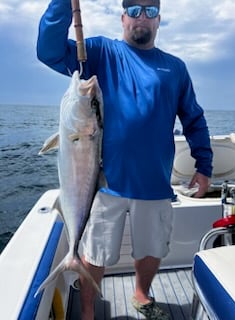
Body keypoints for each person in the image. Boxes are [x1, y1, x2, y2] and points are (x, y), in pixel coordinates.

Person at [37, 0, 213, 319]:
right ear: (122, 18)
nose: (141, 17)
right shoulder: (101, 53)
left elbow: (194, 118)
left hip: (155, 182)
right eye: (133, 11)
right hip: (105, 182)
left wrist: (204, 165)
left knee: (152, 249)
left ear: (159, 20)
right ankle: (88, 309)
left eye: (149, 11)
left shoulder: (175, 68)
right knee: (95, 252)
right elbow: (48, 51)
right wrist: (63, 3)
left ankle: (142, 293)